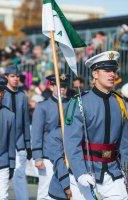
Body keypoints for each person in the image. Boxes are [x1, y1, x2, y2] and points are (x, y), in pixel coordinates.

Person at [64, 51, 128, 199]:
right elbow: (72, 142)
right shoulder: (79, 102)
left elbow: (124, 143)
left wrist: (126, 169)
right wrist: (80, 173)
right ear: (95, 74)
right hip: (87, 173)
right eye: (107, 70)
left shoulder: (120, 103)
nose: (112, 74)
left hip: (113, 173)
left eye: (114, 70)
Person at [31, 74, 70, 200]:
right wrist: (37, 157)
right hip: (47, 156)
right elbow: (36, 133)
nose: (62, 89)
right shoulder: (42, 106)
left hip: (66, 157)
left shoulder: (71, 105)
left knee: (64, 191)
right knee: (44, 192)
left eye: (64, 86)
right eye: (59, 86)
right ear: (52, 86)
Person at [2, 65, 31, 200]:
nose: (15, 79)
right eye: (12, 76)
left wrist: (28, 144)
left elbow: (26, 121)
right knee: (2, 176)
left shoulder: (22, 96)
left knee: (19, 175)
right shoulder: (1, 94)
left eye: (17, 76)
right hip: (3, 143)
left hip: (19, 143)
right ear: (6, 77)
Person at [46, 127, 71, 200]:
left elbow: (103, 152)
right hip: (62, 190)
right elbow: (59, 162)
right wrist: (66, 186)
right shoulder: (56, 134)